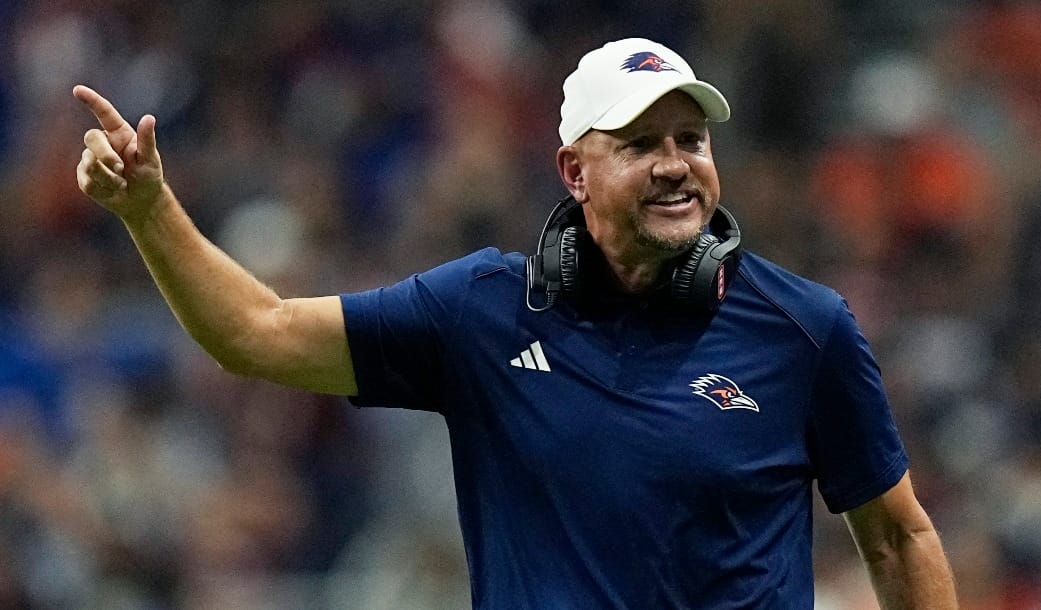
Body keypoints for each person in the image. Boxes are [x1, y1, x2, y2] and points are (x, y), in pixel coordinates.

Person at [74, 37, 957, 609]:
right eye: (642, 144)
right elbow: (255, 332)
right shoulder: (482, 313)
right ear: (575, 171)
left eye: (691, 140)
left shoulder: (805, 327)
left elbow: (901, 533)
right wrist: (148, 209)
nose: (676, 165)